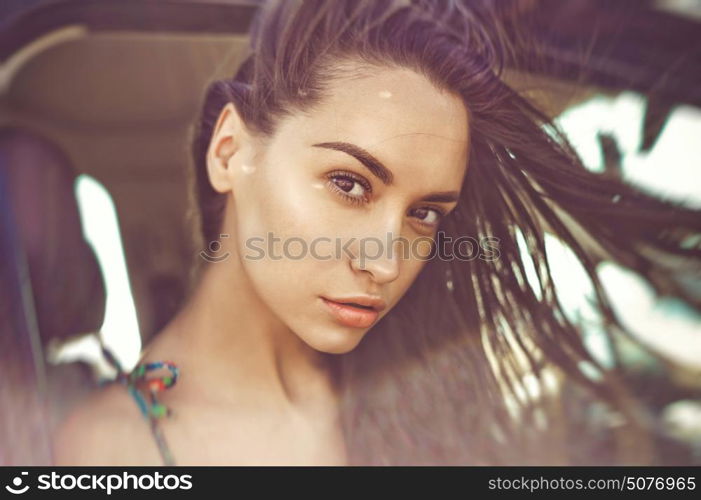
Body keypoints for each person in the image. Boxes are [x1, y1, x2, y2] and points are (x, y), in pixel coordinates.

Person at [52, 0, 701, 466]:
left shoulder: (429, 391)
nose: (386, 261)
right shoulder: (112, 449)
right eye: (349, 184)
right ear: (230, 152)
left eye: (425, 213)